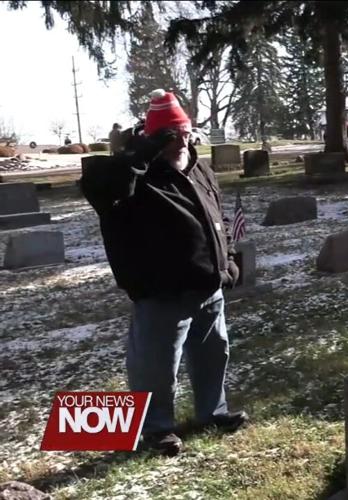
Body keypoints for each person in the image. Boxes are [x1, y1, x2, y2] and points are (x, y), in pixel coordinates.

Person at [80, 89, 247, 457]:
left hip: (208, 285)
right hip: (161, 290)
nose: (181, 143)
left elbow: (215, 218)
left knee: (213, 355)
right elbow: (98, 187)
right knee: (155, 366)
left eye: (185, 133)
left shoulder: (199, 167)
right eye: (171, 136)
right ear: (153, 138)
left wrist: (229, 259)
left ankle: (212, 412)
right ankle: (155, 429)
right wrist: (140, 154)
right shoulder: (135, 175)